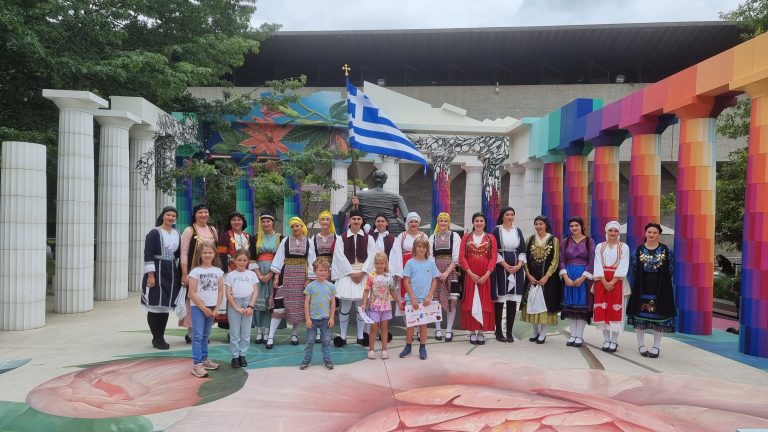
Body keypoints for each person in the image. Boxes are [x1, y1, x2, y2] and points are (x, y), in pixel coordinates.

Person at [628, 223, 676, 358]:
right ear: (645, 233)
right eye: (649, 232)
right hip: (642, 287)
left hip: (660, 287)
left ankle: (656, 346)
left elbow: (671, 269)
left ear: (658, 234)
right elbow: (634, 268)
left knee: (659, 318)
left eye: (654, 232)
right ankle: (641, 345)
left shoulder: (666, 250)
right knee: (640, 318)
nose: (651, 234)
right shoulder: (638, 250)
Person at [268, 217, 317, 349]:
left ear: (302, 227)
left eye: (297, 226)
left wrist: (309, 279)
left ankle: (294, 334)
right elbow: (279, 259)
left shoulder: (309, 242)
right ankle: (270, 336)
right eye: (293, 226)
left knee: (298, 306)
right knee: (279, 305)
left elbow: (312, 260)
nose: (295, 228)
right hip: (286, 275)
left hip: (302, 277)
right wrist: (277, 277)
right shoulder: (285, 240)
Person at [331, 209, 376, 346]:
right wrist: (351, 273)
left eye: (359, 219)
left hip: (363, 274)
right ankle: (343, 336)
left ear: (362, 221)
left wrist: (362, 272)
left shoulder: (369, 238)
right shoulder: (341, 238)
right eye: (354, 219)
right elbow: (339, 257)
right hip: (347, 275)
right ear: (349, 220)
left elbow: (372, 256)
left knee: (361, 307)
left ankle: (360, 336)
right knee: (345, 306)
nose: (356, 221)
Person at [141, 206, 182, 350]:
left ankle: (161, 336)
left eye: (173, 216)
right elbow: (148, 255)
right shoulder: (154, 233)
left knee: (165, 306)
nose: (171, 218)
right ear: (163, 216)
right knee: (154, 305)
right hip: (157, 270)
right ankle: (156, 338)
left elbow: (179, 255)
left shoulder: (177, 233)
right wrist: (151, 276)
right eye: (168, 215)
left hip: (171, 270)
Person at [521, 215, 562, 344]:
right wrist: (528, 275)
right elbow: (525, 259)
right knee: (532, 303)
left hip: (548, 279)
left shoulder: (553, 240)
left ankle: (543, 334)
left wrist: (547, 276)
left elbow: (555, 260)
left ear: (546, 225)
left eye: (541, 224)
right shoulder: (529, 240)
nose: (538, 226)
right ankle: (535, 332)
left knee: (546, 305)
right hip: (532, 278)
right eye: (536, 224)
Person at [180, 204, 218, 343]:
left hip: (210, 272)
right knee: (193, 301)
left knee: (208, 299)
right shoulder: (189, 230)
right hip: (194, 272)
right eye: (200, 212)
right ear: (195, 214)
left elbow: (216, 251)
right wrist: (185, 274)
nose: (203, 215)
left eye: (206, 212)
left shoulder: (213, 230)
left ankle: (204, 333)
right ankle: (192, 333)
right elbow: (183, 253)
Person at [459, 212, 498, 345]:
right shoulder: (466, 237)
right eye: (477, 221)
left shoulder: (491, 237)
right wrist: (470, 273)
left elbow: (493, 258)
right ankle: (472, 331)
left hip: (485, 275)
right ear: (473, 222)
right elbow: (462, 257)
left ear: (485, 223)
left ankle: (481, 331)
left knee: (483, 301)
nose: (479, 223)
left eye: (481, 221)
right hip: (470, 274)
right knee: (470, 300)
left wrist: (487, 275)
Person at [593, 220, 631, 353]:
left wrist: (613, 282)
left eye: (615, 231)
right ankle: (606, 339)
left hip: (617, 281)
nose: (613, 233)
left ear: (619, 233)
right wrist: (604, 281)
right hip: (601, 280)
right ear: (606, 232)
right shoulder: (600, 246)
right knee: (602, 309)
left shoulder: (624, 247)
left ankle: (614, 341)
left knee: (616, 311)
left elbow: (623, 265)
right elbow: (597, 264)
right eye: (611, 230)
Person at [399, 236, 439, 360]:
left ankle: (422, 347)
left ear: (427, 249)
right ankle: (408, 346)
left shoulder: (431, 263)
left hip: (425, 300)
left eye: (424, 247)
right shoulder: (410, 263)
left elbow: (434, 280)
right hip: (412, 300)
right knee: (410, 324)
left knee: (423, 325)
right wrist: (413, 297)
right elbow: (406, 281)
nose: (421, 249)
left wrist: (429, 296)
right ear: (415, 248)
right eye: (419, 246)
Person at [187, 241, 224, 378]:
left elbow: (220, 291)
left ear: (214, 254)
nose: (207, 255)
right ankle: (197, 364)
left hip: (212, 308)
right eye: (205, 253)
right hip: (198, 308)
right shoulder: (195, 272)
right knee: (197, 335)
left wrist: (217, 308)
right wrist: (203, 308)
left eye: (210, 252)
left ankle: (204, 359)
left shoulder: (218, 272)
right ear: (200, 255)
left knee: (205, 336)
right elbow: (192, 292)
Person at [490, 207, 527, 343]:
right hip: (501, 267)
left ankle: (509, 332)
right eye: (507, 214)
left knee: (512, 301)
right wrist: (505, 264)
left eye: (512, 214)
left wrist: (519, 265)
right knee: (500, 300)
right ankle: (498, 331)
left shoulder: (517, 231)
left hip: (516, 269)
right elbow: (493, 250)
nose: (510, 217)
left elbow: (523, 250)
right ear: (503, 216)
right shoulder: (496, 230)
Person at [559, 217, 595, 348]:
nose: (574, 228)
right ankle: (573, 334)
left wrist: (583, 277)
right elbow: (561, 259)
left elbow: (592, 260)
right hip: (569, 275)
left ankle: (580, 335)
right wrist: (565, 277)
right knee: (570, 305)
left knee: (581, 307)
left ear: (581, 227)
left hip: (583, 276)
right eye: (572, 226)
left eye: (576, 226)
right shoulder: (565, 242)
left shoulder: (589, 242)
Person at [338, 170, 410, 235]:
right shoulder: (397, 197)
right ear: (385, 181)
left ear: (373, 180)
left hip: (366, 231)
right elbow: (406, 216)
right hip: (392, 231)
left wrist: (340, 231)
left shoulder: (358, 195)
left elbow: (342, 211)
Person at [361, 252, 401, 359]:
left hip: (386, 307)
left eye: (382, 263)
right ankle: (371, 350)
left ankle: (384, 350)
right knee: (373, 329)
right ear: (374, 264)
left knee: (384, 328)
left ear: (386, 264)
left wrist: (398, 301)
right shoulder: (371, 276)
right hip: (374, 307)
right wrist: (364, 304)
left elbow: (392, 291)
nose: (379, 265)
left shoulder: (389, 277)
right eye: (377, 263)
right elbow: (366, 291)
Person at [429, 212, 461, 342]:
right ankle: (437, 328)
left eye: (445, 221)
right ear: (438, 223)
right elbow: (430, 257)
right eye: (441, 221)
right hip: (436, 272)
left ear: (449, 223)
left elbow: (456, 257)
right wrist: (437, 273)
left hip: (451, 272)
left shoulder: (455, 236)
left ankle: (448, 329)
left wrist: (446, 273)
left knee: (452, 301)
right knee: (435, 301)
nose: (443, 223)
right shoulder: (432, 237)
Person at [224, 249, 259, 368]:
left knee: (245, 333)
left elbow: (255, 292)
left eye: (244, 260)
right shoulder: (230, 275)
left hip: (248, 303)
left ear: (248, 261)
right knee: (234, 333)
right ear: (234, 260)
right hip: (235, 304)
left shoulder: (252, 274)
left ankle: (242, 355)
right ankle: (235, 357)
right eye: (239, 260)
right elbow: (228, 294)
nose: (242, 262)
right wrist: (235, 307)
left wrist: (251, 306)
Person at [252, 211, 282, 344]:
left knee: (270, 301)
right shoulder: (255, 237)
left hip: (273, 271)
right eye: (263, 221)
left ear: (273, 222)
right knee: (258, 300)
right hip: (257, 271)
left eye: (268, 221)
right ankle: (259, 330)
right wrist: (259, 275)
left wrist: (270, 274)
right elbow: (252, 257)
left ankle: (268, 330)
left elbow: (281, 258)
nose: (265, 224)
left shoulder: (279, 237)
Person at [300, 259, 336, 370]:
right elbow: (306, 302)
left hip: (325, 319)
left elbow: (333, 303)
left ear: (328, 271)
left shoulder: (331, 286)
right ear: (315, 271)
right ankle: (306, 361)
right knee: (310, 341)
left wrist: (332, 317)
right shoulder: (310, 286)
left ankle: (327, 360)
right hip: (312, 320)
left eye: (325, 270)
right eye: (320, 270)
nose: (323, 272)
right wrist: (307, 319)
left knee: (326, 341)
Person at [390, 212, 426, 313]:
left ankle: (420, 322)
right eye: (411, 221)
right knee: (405, 291)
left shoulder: (424, 236)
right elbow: (395, 254)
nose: (413, 224)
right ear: (407, 223)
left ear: (418, 223)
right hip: (405, 267)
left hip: (420, 267)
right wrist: (396, 271)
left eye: (415, 222)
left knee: (419, 290)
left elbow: (429, 255)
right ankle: (408, 324)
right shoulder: (402, 236)